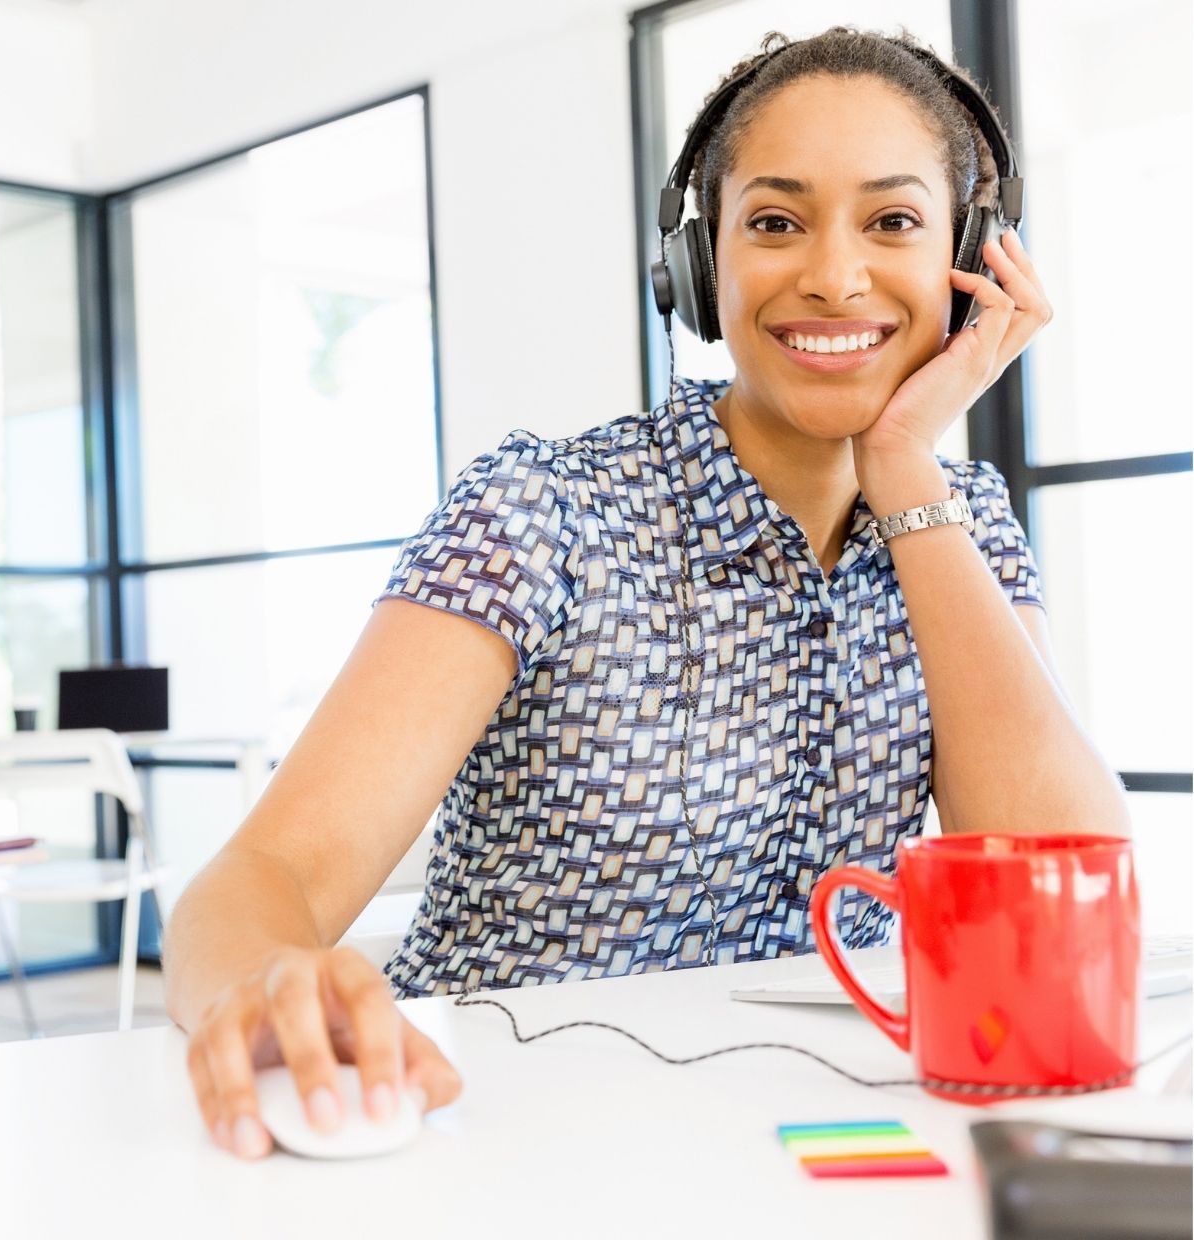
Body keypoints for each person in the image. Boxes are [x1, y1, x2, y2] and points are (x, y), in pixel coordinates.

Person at [162, 26, 1129, 1161]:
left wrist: (907, 470)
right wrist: (272, 984)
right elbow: (262, 873)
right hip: (493, 1137)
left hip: (801, 1138)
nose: (831, 273)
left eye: (892, 221)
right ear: (696, 267)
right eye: (773, 221)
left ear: (972, 260)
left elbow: (1064, 901)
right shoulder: (543, 513)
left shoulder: (958, 526)